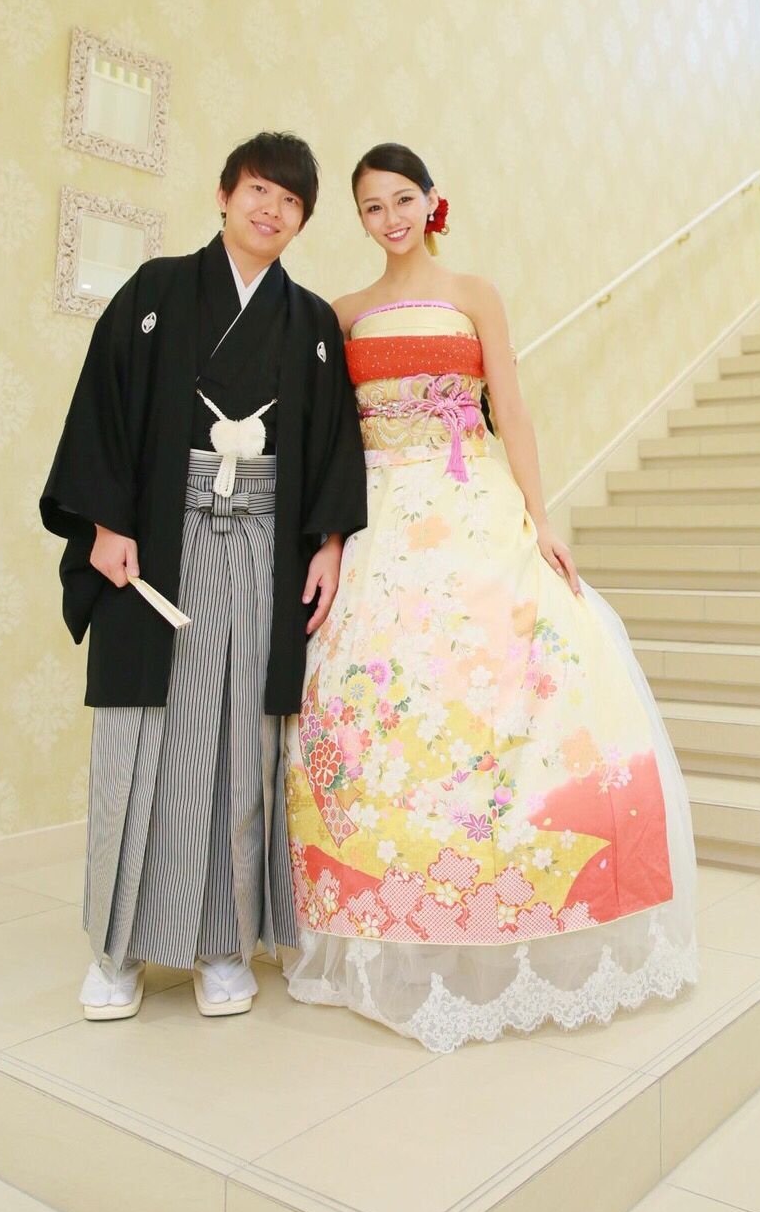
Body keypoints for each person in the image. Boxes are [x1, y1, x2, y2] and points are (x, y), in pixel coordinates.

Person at [284, 143, 697, 1051]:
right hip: (380, 518)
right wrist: (331, 541)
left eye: (402, 199)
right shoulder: (341, 314)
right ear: (359, 220)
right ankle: (389, 915)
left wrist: (540, 519)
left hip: (472, 504)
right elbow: (329, 443)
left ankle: (515, 905)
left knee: (510, 680)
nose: (390, 219)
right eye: (371, 207)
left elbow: (510, 408)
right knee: (379, 706)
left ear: (431, 201)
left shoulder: (475, 294)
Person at [42, 132, 366, 1020]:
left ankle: (226, 944)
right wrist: (106, 523)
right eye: (259, 189)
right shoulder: (154, 292)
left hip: (264, 543)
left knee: (242, 742)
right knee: (140, 738)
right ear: (224, 194)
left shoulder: (310, 324)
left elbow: (334, 443)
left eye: (290, 201)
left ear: (302, 221)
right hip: (159, 537)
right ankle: (117, 954)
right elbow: (103, 405)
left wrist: (329, 540)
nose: (271, 209)